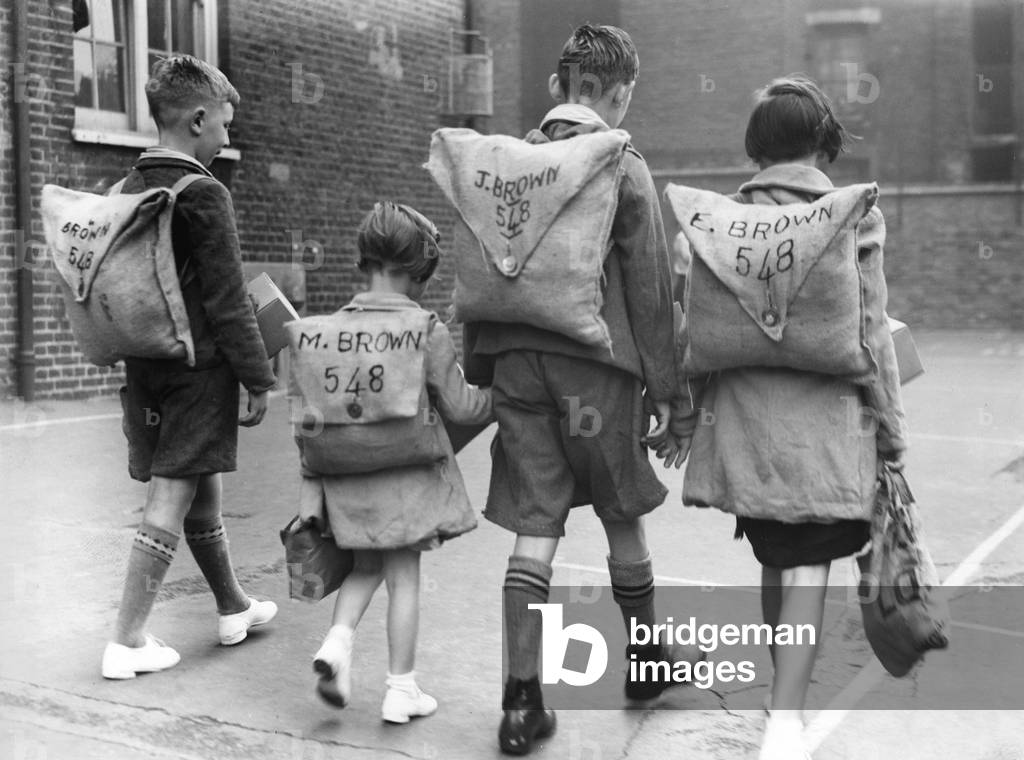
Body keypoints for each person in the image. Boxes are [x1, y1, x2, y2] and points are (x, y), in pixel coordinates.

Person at [463, 23, 702, 756]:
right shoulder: (621, 163)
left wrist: (483, 367)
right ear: (617, 91)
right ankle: (643, 664)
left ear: (559, 88)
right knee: (621, 510)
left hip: (517, 367)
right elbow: (650, 292)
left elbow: (480, 265)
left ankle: (520, 703)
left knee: (538, 523)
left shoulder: (508, 161)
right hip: (595, 372)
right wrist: (671, 395)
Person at [653, 75, 907, 760]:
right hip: (827, 427)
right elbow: (872, 332)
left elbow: (693, 333)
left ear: (755, 146)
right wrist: (891, 431)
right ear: (823, 142)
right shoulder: (853, 214)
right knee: (811, 566)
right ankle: (788, 718)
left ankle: (780, 692)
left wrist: (682, 414)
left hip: (744, 428)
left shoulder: (716, 222)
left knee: (774, 555)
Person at [102, 55, 279, 679]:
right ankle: (126, 640)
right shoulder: (205, 193)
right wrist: (258, 378)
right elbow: (229, 301)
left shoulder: (128, 188)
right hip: (199, 372)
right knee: (172, 495)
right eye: (225, 123)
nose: (229, 136)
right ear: (198, 119)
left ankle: (233, 606)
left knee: (201, 490)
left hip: (147, 365)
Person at [300, 202, 493, 724]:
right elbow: (459, 406)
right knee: (404, 577)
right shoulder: (423, 328)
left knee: (366, 567)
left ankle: (338, 646)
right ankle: (401, 689)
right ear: (415, 272)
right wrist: (501, 397)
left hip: (345, 479)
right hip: (404, 480)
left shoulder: (327, 331)